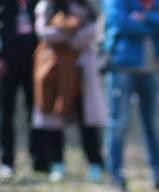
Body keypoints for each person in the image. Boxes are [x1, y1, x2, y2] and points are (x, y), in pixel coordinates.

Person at [102, 0, 159, 192]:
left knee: (154, 124)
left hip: (154, 68)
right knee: (119, 123)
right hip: (122, 66)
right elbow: (120, 22)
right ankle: (115, 176)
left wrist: (146, 18)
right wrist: (155, 26)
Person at [32, 0, 105, 181]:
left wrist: (70, 36)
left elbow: (94, 29)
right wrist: (69, 31)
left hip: (81, 71)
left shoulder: (86, 5)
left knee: (86, 119)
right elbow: (44, 33)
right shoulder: (46, 5)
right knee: (54, 116)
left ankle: (94, 163)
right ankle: (57, 163)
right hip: (55, 70)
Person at [1, 0, 45, 178]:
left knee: (35, 111)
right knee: (6, 113)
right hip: (7, 62)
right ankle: (6, 161)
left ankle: (39, 159)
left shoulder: (36, 3)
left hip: (34, 62)